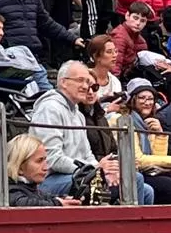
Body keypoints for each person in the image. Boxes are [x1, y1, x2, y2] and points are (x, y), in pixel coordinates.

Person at [30, 60, 152, 204]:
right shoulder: (50, 108)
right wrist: (96, 169)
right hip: (48, 180)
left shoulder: (78, 114)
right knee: (134, 179)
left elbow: (87, 154)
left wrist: (103, 171)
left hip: (78, 174)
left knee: (145, 190)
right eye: (80, 80)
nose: (85, 86)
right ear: (63, 82)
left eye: (87, 82)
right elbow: (52, 159)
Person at [115, 79, 171, 204]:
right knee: (169, 186)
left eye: (151, 99)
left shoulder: (148, 123)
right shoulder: (122, 120)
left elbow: (158, 158)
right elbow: (138, 160)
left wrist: (160, 134)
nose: (147, 103)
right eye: (142, 98)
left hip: (149, 171)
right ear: (132, 100)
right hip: (133, 172)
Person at [6, 134, 82, 207]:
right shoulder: (10, 191)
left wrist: (63, 199)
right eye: (39, 161)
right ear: (20, 167)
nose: (46, 167)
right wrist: (57, 204)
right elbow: (22, 203)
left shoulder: (32, 189)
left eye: (45, 160)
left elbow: (44, 197)